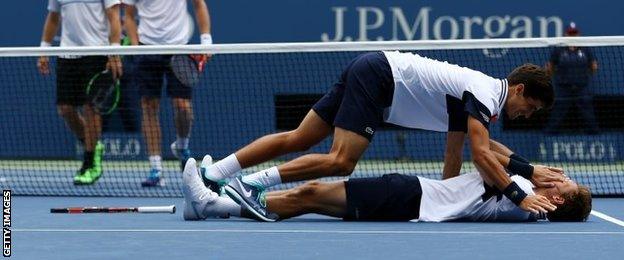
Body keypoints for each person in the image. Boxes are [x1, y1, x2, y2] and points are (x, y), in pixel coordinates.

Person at [199, 51, 559, 220]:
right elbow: (481, 154)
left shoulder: (478, 101)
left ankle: (213, 175)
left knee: (300, 137)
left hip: (374, 68)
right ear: (520, 89)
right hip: (383, 79)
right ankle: (250, 185)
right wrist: (519, 195)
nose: (528, 114)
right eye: (532, 107)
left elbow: (460, 152)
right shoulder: (484, 92)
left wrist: (448, 197)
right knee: (342, 160)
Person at [182, 158, 591, 222]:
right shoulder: (525, 195)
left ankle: (214, 203)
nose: (559, 174)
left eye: (564, 181)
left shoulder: (522, 192)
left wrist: (531, 173)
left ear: (557, 198)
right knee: (309, 196)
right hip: (411, 196)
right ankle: (212, 205)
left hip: (409, 197)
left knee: (308, 194)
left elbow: (489, 156)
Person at [123, 0, 212, 187]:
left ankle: (182, 146)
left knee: (183, 107)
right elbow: (129, 16)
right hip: (147, 49)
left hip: (179, 48)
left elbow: (199, 4)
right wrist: (135, 47)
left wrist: (206, 40)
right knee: (149, 107)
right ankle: (156, 168)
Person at [37, 0, 123, 185]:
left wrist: (114, 53)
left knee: (91, 109)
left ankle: (89, 162)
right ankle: (93, 145)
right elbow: (53, 17)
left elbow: (114, 17)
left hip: (96, 52)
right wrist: (43, 50)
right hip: (67, 54)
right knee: (65, 109)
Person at [545, 22, 599, 134]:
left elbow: (593, 66)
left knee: (588, 114)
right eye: (570, 33)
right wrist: (551, 73)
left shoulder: (585, 49)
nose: (572, 35)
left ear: (578, 34)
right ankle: (548, 136)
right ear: (565, 34)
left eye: (574, 33)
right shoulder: (559, 49)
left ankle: (595, 135)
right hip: (563, 88)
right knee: (557, 114)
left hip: (582, 88)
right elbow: (550, 66)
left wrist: (583, 74)